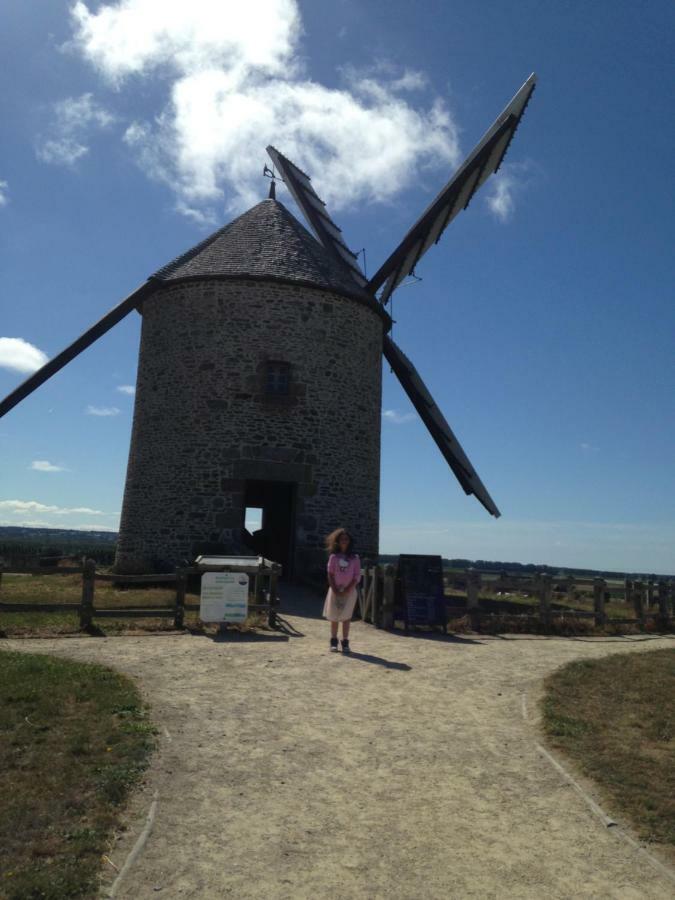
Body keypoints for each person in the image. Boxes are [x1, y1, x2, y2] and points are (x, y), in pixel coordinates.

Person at [323, 527, 361, 653]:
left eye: (346, 539)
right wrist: (334, 589)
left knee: (346, 617)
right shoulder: (334, 557)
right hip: (335, 590)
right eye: (342, 539)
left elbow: (356, 576)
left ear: (350, 541)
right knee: (334, 617)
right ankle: (333, 641)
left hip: (349, 592)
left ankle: (345, 642)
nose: (344, 541)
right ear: (338, 541)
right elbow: (330, 574)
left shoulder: (355, 558)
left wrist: (348, 589)